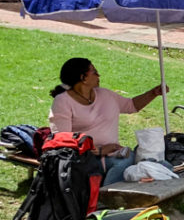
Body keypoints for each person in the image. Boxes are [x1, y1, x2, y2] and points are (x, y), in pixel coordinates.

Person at [48, 57, 165, 186]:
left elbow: (131, 105)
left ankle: (105, 194)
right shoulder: (62, 101)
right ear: (83, 78)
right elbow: (62, 140)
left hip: (111, 153)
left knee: (139, 158)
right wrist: (97, 150)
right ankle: (104, 197)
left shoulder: (105, 94)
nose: (99, 75)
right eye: (94, 72)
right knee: (123, 162)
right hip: (82, 157)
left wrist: (153, 93)